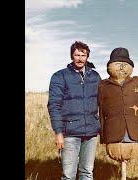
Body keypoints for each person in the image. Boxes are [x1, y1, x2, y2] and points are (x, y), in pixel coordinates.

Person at [47, 41, 102, 180]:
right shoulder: (60, 76)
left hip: (91, 132)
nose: (80, 58)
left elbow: (106, 99)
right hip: (70, 133)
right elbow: (54, 105)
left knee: (87, 172)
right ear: (72, 56)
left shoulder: (95, 77)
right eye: (77, 55)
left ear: (87, 57)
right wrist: (58, 133)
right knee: (68, 175)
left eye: (83, 55)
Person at [98, 47, 138, 163]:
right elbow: (100, 111)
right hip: (113, 133)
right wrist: (103, 134)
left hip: (133, 132)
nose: (122, 67)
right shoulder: (103, 85)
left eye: (125, 64)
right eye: (118, 64)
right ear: (110, 66)